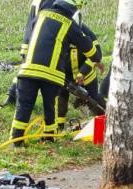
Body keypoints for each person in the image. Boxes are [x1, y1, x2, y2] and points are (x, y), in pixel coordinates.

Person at [10, 0, 101, 146]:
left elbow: (29, 36)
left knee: (24, 106)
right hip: (50, 75)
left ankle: (16, 141)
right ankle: (49, 138)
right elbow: (93, 53)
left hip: (27, 71)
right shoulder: (69, 24)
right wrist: (96, 57)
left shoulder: (40, 16)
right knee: (49, 108)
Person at [3, 0, 55, 107]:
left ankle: (11, 97)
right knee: (28, 76)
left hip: (29, 41)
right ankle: (16, 100)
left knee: (23, 71)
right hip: (36, 43)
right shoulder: (49, 2)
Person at [56, 23, 104, 130]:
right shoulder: (58, 30)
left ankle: (104, 121)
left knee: (94, 99)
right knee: (62, 97)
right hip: (65, 76)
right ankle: (59, 127)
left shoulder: (85, 32)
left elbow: (97, 54)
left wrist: (83, 72)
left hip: (87, 76)